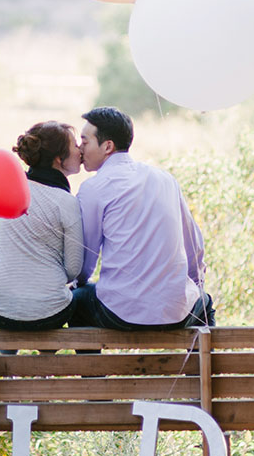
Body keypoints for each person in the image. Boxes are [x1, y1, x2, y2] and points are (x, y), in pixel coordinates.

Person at [70, 106, 214, 330]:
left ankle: (92, 365)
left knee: (79, 300)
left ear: (107, 146)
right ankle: (203, 365)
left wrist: (79, 283)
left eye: (85, 141)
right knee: (205, 303)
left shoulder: (93, 189)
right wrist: (195, 284)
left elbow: (85, 260)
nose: (80, 149)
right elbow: (193, 243)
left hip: (119, 313)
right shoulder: (166, 179)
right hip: (177, 312)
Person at [0, 120, 84, 330]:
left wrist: (7, 277)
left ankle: (6, 359)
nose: (80, 150)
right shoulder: (67, 202)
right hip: (49, 314)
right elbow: (73, 268)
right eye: (75, 146)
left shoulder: (8, 188)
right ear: (59, 159)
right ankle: (44, 358)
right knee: (62, 305)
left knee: (12, 317)